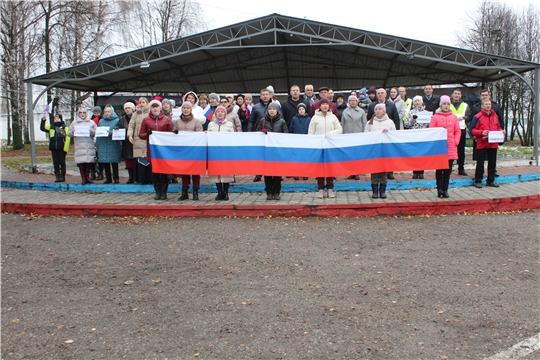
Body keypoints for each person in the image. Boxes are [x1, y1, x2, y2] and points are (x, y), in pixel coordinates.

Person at [308, 97, 343, 199]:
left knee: (330, 168)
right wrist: (314, 143)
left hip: (330, 147)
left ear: (329, 106)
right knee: (319, 168)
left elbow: (339, 129)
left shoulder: (333, 117)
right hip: (319, 147)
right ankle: (320, 189)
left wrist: (330, 134)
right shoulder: (314, 118)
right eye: (323, 104)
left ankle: (330, 189)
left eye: (326, 104)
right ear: (319, 106)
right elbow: (311, 132)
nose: (325, 106)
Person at [139, 100, 173, 200]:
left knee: (163, 172)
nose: (155, 108)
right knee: (154, 171)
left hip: (163, 151)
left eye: (157, 106)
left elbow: (170, 134)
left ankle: (164, 192)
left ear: (160, 108)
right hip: (152, 150)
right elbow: (141, 135)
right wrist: (147, 134)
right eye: (153, 107)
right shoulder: (146, 120)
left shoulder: (167, 119)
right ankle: (157, 192)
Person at [429, 95, 461, 198]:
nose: (446, 106)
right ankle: (439, 189)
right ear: (441, 105)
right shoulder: (435, 117)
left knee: (448, 170)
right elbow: (432, 131)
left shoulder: (454, 117)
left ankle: (445, 189)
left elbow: (458, 131)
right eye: (444, 104)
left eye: (448, 104)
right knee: (439, 170)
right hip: (440, 148)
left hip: (451, 147)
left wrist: (456, 141)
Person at [367, 88, 401, 179]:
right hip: (375, 138)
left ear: (386, 94)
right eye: (379, 93)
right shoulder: (371, 106)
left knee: (388, 155)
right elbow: (369, 120)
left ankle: (390, 172)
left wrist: (395, 132)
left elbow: (396, 118)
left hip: (388, 135)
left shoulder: (392, 105)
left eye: (382, 93)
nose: (380, 94)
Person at [256, 102, 288, 200]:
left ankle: (277, 192)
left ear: (277, 110)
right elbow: (257, 133)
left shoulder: (282, 122)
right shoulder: (263, 121)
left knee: (277, 173)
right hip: (266, 151)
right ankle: (269, 192)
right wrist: (261, 133)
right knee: (268, 173)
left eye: (274, 109)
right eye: (270, 109)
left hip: (277, 151)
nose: (272, 111)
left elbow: (285, 135)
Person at [173, 101, 204, 200]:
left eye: (188, 108)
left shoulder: (197, 122)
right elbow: (173, 135)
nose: (185, 109)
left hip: (194, 150)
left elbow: (199, 135)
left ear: (191, 109)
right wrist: (175, 133)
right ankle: (184, 192)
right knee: (184, 172)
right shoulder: (177, 122)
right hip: (182, 150)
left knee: (195, 172)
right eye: (184, 108)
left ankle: (195, 192)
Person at [471, 99, 504, 188]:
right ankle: (478, 180)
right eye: (486, 104)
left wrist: (501, 132)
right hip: (482, 143)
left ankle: (490, 180)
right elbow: (472, 130)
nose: (488, 106)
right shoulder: (477, 116)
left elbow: (498, 127)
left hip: (493, 144)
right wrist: (482, 132)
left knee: (492, 163)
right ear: (482, 106)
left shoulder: (495, 116)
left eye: (489, 104)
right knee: (480, 163)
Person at [366, 104, 396, 199]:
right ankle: (374, 191)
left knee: (383, 171)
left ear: (384, 111)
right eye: (376, 109)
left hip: (385, 151)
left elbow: (394, 134)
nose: (378, 111)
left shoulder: (390, 122)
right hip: (374, 150)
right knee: (374, 171)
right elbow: (365, 134)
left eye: (380, 109)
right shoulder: (370, 123)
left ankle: (382, 191)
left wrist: (388, 133)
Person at [208, 105, 235, 200]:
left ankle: (226, 193)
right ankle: (219, 192)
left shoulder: (229, 124)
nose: (220, 113)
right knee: (216, 173)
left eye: (222, 112)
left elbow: (232, 138)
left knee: (226, 172)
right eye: (218, 111)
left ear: (225, 114)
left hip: (225, 152)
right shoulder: (211, 124)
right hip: (214, 152)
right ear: (215, 113)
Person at [248, 88, 274, 182]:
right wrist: (250, 133)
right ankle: (258, 174)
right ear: (260, 96)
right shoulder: (256, 107)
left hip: (271, 134)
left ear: (270, 95)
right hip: (259, 134)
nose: (265, 96)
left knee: (272, 155)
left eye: (267, 94)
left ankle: (274, 173)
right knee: (259, 155)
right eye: (263, 94)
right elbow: (251, 121)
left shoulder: (275, 105)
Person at [341, 95, 367, 180]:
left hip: (358, 136)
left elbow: (364, 124)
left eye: (354, 100)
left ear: (357, 102)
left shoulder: (361, 111)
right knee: (349, 155)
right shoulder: (345, 112)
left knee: (357, 155)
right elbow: (343, 124)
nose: (353, 102)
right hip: (348, 136)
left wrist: (364, 134)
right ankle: (350, 172)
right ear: (348, 102)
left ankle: (357, 172)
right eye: (351, 100)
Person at [67, 108, 96, 184]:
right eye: (80, 112)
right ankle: (83, 178)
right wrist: (72, 132)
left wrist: (92, 131)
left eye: (84, 112)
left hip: (89, 144)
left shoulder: (91, 122)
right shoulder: (74, 123)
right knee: (81, 162)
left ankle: (87, 177)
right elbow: (68, 133)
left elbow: (96, 132)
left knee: (88, 161)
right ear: (78, 114)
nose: (82, 114)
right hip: (79, 144)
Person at [127, 97, 152, 184]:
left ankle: (150, 179)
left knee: (148, 157)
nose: (141, 104)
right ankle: (140, 179)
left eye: (143, 102)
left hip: (148, 138)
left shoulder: (150, 113)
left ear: (147, 103)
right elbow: (131, 125)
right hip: (138, 139)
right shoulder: (135, 114)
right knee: (140, 159)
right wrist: (130, 135)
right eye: (140, 102)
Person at [96, 104, 122, 184]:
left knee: (114, 162)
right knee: (105, 162)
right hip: (103, 143)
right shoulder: (101, 121)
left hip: (113, 144)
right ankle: (108, 178)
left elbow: (119, 131)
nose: (107, 113)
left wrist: (113, 132)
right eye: (105, 112)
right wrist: (96, 144)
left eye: (108, 111)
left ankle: (116, 178)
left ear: (112, 112)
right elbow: (98, 133)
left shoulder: (117, 120)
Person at [404, 95, 429, 179]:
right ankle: (415, 171)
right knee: (414, 154)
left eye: (419, 101)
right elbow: (406, 124)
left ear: (422, 102)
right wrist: (412, 119)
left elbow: (429, 125)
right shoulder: (411, 112)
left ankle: (421, 171)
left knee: (422, 155)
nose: (417, 102)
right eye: (415, 101)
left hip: (424, 136)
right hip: (414, 136)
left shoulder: (426, 112)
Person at [41, 113, 70, 183]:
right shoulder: (51, 127)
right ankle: (57, 176)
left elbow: (68, 139)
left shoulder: (65, 127)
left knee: (62, 163)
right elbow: (43, 128)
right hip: (54, 148)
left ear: (61, 119)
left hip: (61, 148)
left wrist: (65, 149)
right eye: (55, 118)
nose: (56, 120)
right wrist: (43, 121)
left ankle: (63, 176)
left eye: (58, 118)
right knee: (56, 163)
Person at [450, 88, 472, 176]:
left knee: (461, 150)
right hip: (450, 130)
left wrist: (463, 118)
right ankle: (449, 168)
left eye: (458, 94)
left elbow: (469, 116)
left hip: (461, 129)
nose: (456, 95)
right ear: (452, 95)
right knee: (451, 150)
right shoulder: (448, 104)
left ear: (460, 95)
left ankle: (461, 168)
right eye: (455, 93)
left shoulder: (465, 105)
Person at [289, 103, 311, 181]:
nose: (301, 111)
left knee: (305, 158)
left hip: (305, 141)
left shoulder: (309, 119)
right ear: (297, 111)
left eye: (303, 109)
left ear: (305, 110)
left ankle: (305, 173)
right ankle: (296, 173)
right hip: (296, 141)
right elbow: (291, 129)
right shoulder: (294, 119)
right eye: (300, 109)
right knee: (296, 158)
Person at [120, 101, 136, 183]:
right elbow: (120, 127)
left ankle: (136, 177)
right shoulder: (122, 119)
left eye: (129, 108)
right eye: (126, 108)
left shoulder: (136, 117)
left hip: (135, 141)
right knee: (128, 162)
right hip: (126, 143)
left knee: (136, 161)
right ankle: (130, 177)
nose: (127, 110)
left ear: (133, 109)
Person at [90, 106, 102, 180]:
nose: (96, 114)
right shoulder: (91, 120)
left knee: (100, 158)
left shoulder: (102, 120)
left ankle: (100, 172)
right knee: (92, 158)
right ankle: (93, 172)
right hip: (92, 140)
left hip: (100, 140)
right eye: (95, 113)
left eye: (98, 113)